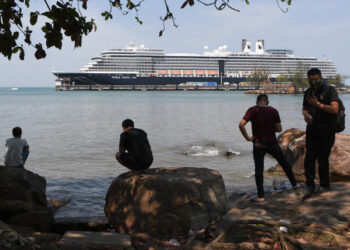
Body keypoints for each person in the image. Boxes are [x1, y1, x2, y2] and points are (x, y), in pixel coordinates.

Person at [239, 94, 298, 203]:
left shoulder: (252, 110)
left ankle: (261, 196)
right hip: (272, 143)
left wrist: (247, 138)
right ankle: (295, 184)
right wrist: (271, 128)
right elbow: (279, 129)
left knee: (259, 169)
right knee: (283, 162)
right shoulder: (273, 111)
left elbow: (241, 125)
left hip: (258, 144)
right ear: (268, 102)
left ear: (257, 102)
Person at [302, 68, 339, 196]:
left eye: (316, 79)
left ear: (321, 78)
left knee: (323, 158)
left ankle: (324, 185)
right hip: (312, 129)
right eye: (311, 79)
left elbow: (335, 109)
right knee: (309, 158)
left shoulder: (330, 90)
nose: (313, 82)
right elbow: (304, 108)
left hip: (327, 129)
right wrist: (306, 115)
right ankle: (309, 185)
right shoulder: (308, 92)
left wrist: (318, 104)